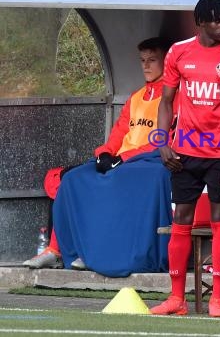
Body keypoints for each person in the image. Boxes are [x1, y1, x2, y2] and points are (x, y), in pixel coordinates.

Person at [23, 37, 175, 275]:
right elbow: (119, 132)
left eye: (152, 60)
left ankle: (98, 253)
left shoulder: (173, 96)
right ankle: (57, 251)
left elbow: (167, 139)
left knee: (118, 181)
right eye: (142, 60)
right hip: (122, 160)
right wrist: (104, 153)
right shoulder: (136, 97)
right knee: (72, 179)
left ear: (167, 61)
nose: (146, 66)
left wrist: (124, 159)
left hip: (147, 161)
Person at [150, 0, 220, 318]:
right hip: (183, 153)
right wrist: (163, 142)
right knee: (181, 219)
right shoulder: (179, 52)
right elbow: (166, 101)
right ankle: (177, 298)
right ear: (200, 23)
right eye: (216, 20)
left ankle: (218, 299)